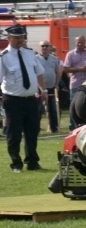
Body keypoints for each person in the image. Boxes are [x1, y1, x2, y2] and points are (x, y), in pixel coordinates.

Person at [0, 25, 47, 172]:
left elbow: (39, 72)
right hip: (13, 100)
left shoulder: (29, 53)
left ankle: (32, 162)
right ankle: (16, 163)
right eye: (17, 38)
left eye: (22, 37)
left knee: (32, 132)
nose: (20, 40)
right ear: (9, 38)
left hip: (31, 99)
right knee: (14, 134)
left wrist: (44, 90)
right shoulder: (4, 57)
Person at [63, 35, 86, 131]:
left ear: (85, 42)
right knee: (73, 105)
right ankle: (73, 126)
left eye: (82, 42)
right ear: (75, 43)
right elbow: (66, 69)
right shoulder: (70, 54)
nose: (80, 44)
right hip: (75, 84)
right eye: (78, 42)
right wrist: (80, 69)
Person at [37, 40, 63, 133]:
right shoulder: (35, 59)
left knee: (52, 109)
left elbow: (57, 72)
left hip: (51, 87)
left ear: (50, 47)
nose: (44, 47)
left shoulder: (54, 59)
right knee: (38, 109)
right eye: (42, 46)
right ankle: (35, 128)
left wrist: (57, 84)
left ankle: (53, 128)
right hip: (39, 88)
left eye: (46, 46)